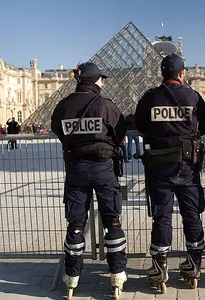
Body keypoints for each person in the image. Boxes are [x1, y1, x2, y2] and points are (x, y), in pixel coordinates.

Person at [51, 62, 127, 297]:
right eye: (102, 80)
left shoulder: (63, 106)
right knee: (112, 221)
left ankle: (72, 275)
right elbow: (121, 132)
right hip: (103, 168)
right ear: (96, 81)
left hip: (75, 169)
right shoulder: (105, 105)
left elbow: (57, 129)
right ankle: (117, 273)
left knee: (75, 223)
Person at [135, 53, 205, 291]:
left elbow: (140, 125)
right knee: (192, 215)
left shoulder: (150, 98)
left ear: (162, 73)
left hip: (159, 167)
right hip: (188, 165)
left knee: (162, 217)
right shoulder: (193, 96)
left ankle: (160, 265)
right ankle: (194, 263)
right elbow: (204, 125)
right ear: (181, 73)